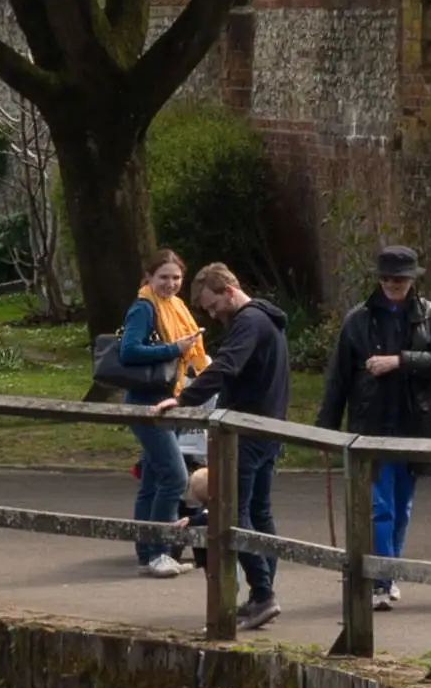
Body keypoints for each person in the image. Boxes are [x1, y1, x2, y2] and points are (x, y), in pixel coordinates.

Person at [325, 245, 431, 584]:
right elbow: (338, 377)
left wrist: (400, 361)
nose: (392, 284)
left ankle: (390, 569)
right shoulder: (358, 319)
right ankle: (383, 579)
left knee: (402, 505)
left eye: (399, 279)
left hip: (414, 423)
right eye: (386, 278)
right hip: (372, 422)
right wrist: (326, 428)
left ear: (412, 280)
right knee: (380, 506)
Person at [178, 260, 291, 626]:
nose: (212, 315)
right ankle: (263, 592)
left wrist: (184, 399)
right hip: (269, 429)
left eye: (213, 306)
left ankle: (262, 593)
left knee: (233, 510)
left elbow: (227, 365)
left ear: (229, 291)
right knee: (259, 511)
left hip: (248, 431)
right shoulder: (267, 321)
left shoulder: (249, 322)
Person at [92, 253, 204, 573]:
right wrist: (175, 349)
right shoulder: (144, 307)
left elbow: (192, 354)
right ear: (149, 278)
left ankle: (148, 554)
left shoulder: (177, 308)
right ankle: (158, 551)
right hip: (146, 402)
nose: (170, 284)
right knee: (175, 476)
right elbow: (129, 350)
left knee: (154, 480)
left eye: (176, 278)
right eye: (164, 277)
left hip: (171, 400)